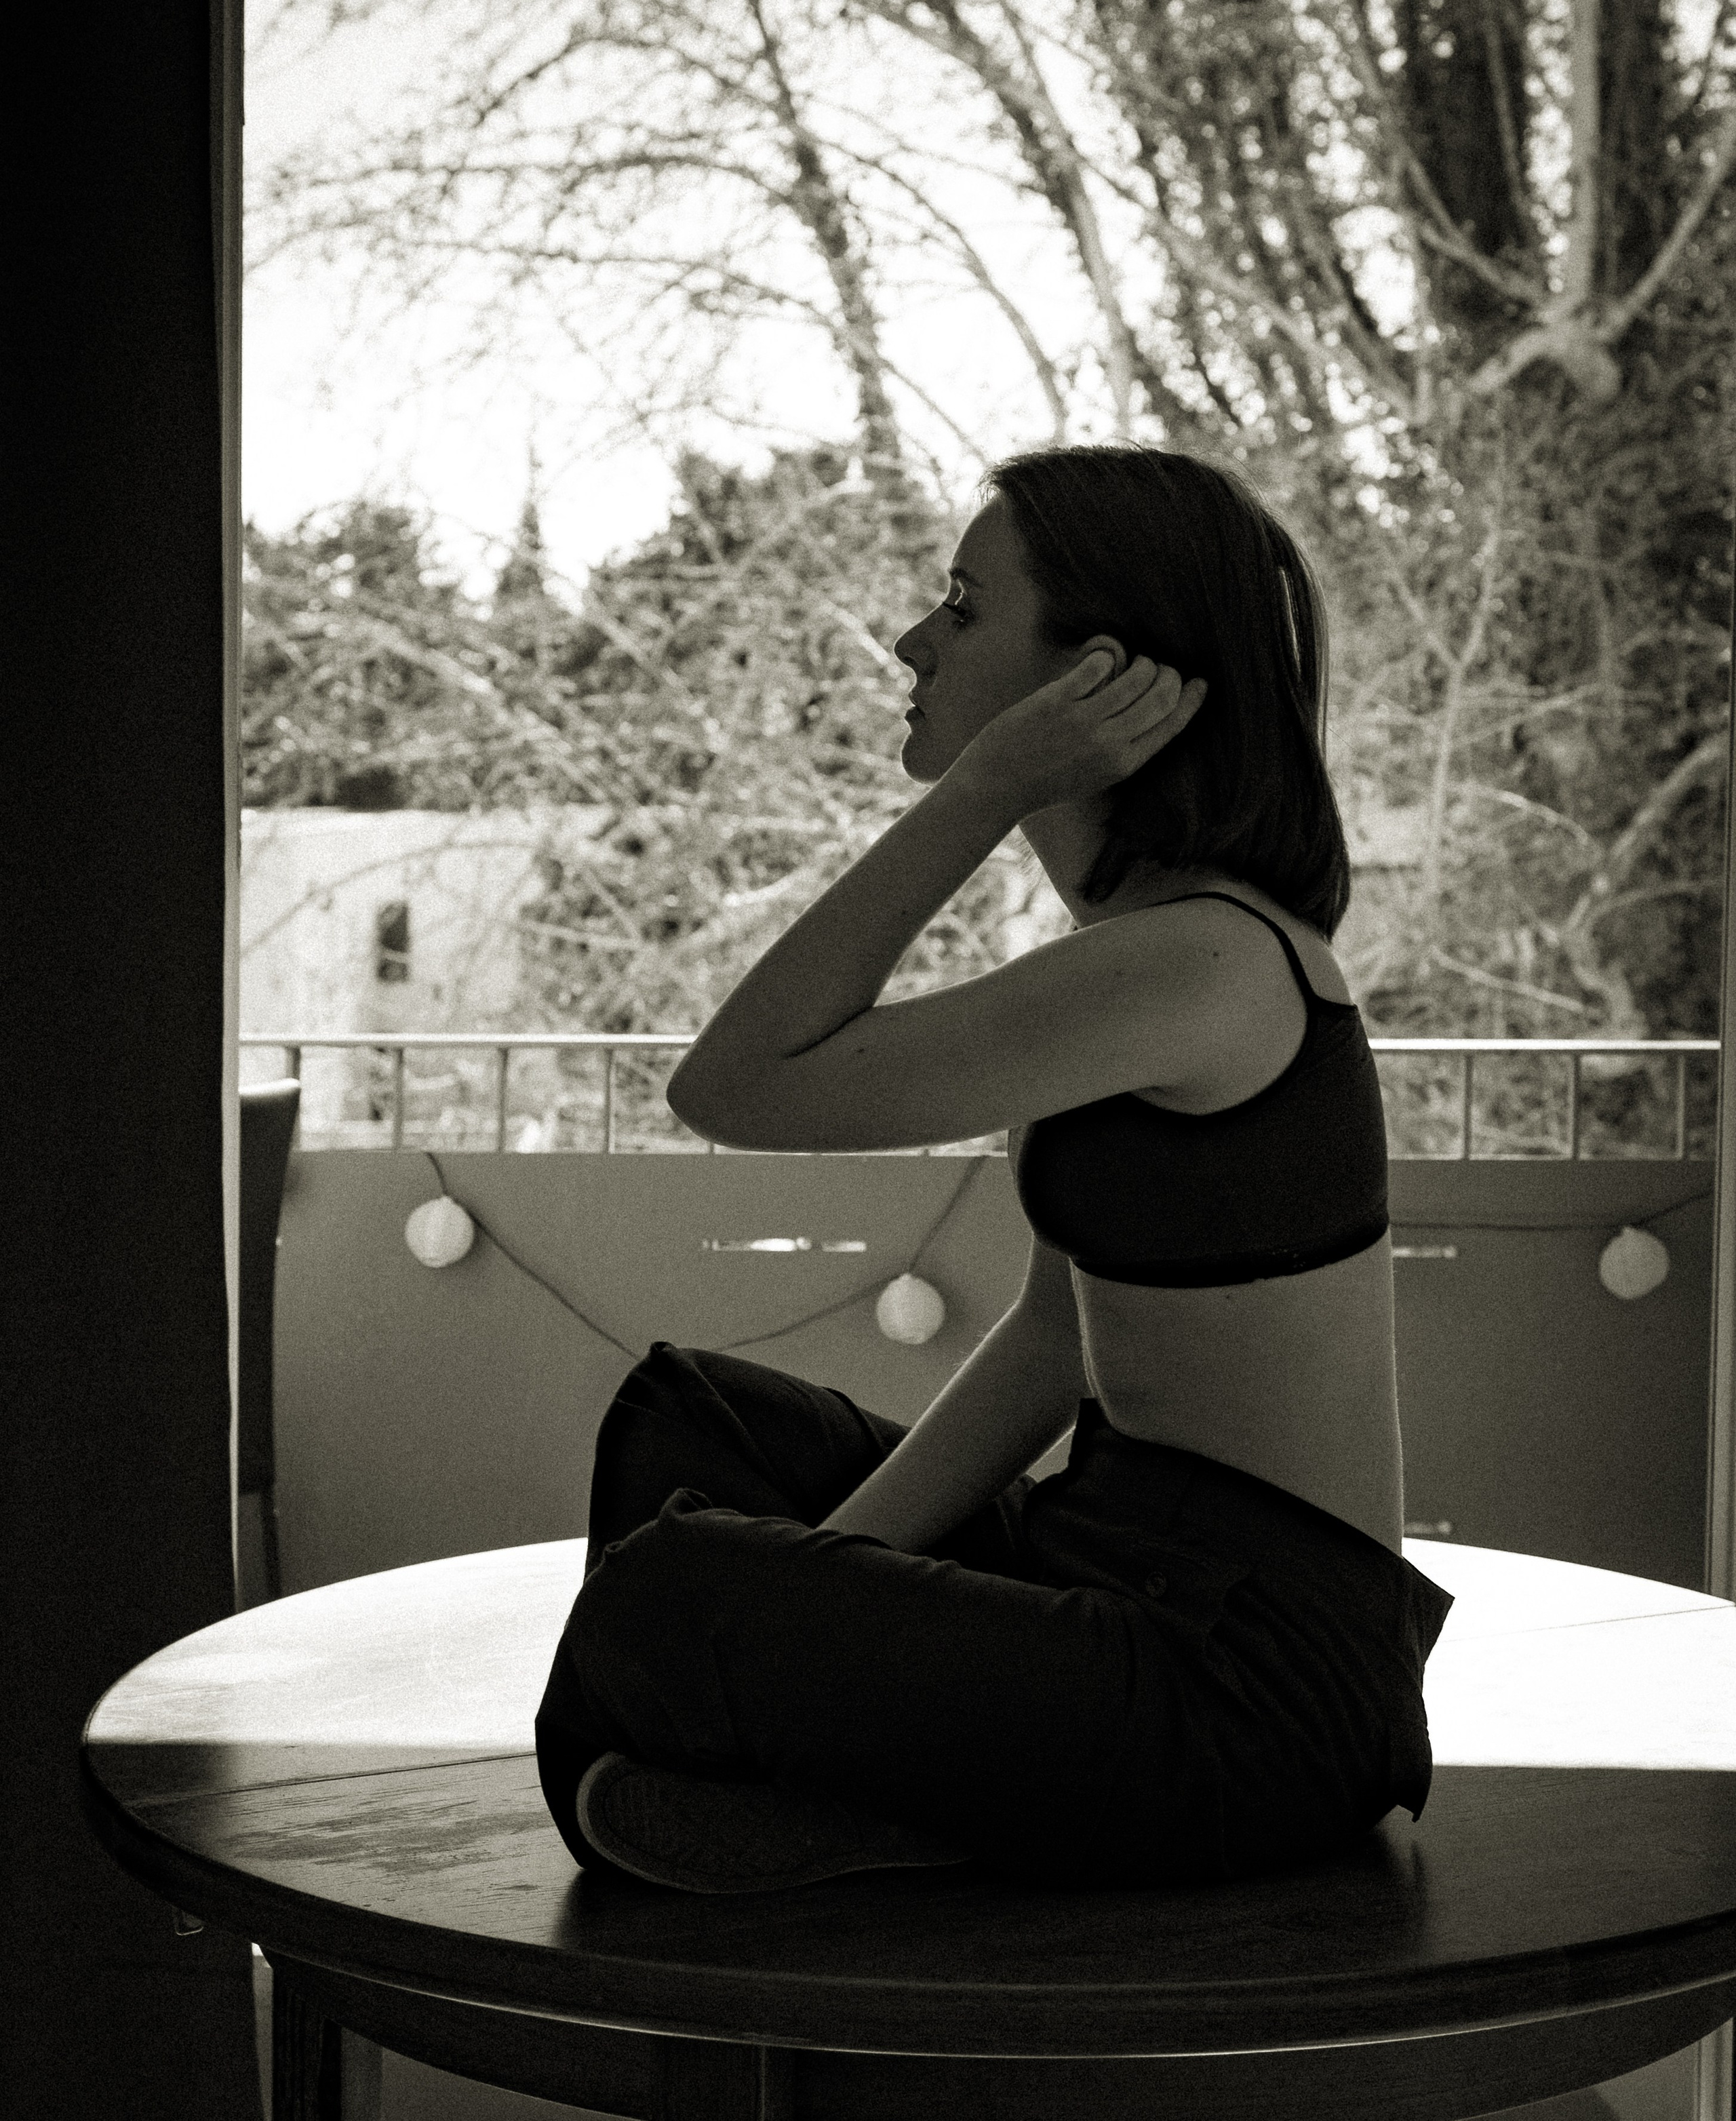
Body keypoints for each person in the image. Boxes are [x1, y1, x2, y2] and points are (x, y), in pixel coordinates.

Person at [535, 442, 1455, 1895]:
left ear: (1091, 677)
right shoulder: (1144, 947)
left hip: (1249, 1681)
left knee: (666, 1598)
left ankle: (855, 1815)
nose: (914, 640)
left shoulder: (1201, 961)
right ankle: (844, 1798)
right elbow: (1050, 1338)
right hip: (1113, 1557)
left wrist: (978, 793)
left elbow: (731, 1086)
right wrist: (817, 1595)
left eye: (962, 608)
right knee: (686, 1422)